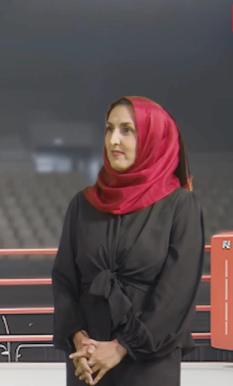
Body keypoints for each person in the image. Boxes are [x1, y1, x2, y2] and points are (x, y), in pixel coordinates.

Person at [51, 96, 205, 386]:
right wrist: (78, 338)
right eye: (109, 129)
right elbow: (64, 280)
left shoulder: (180, 206)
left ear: (153, 138)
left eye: (127, 130)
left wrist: (122, 346)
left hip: (148, 360)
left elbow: (177, 293)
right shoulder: (82, 204)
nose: (114, 140)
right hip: (87, 361)